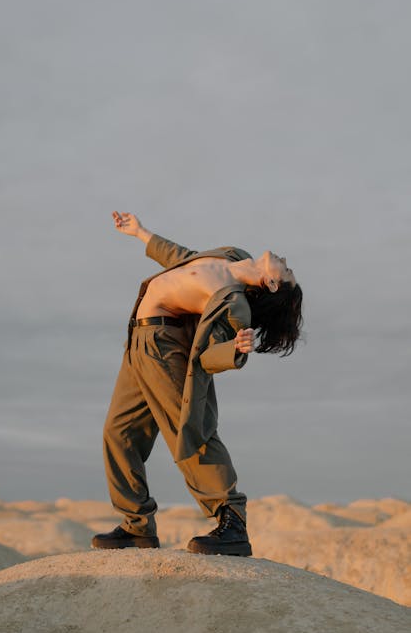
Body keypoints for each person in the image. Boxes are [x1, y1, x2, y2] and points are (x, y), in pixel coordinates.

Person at [92, 211, 303, 556]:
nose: (286, 262)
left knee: (191, 431)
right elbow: (185, 260)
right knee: (119, 433)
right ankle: (137, 527)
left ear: (273, 284)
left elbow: (209, 355)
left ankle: (231, 520)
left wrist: (234, 349)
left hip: (165, 344)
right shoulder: (233, 255)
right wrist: (141, 233)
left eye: (288, 271)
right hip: (139, 339)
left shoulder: (234, 303)